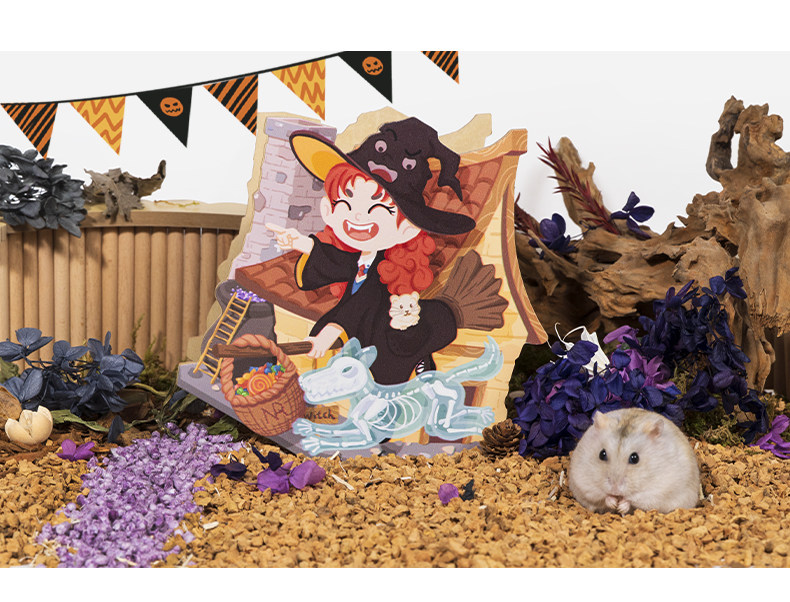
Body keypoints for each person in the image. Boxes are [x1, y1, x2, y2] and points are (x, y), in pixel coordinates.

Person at [266, 118, 478, 385]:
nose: (357, 217)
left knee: (397, 344)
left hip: (388, 335)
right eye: (345, 201)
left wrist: (333, 329)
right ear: (328, 209)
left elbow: (365, 300)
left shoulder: (387, 267)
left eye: (378, 208)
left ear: (407, 229)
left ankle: (420, 360)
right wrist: (301, 243)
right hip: (361, 333)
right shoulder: (361, 257)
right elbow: (339, 262)